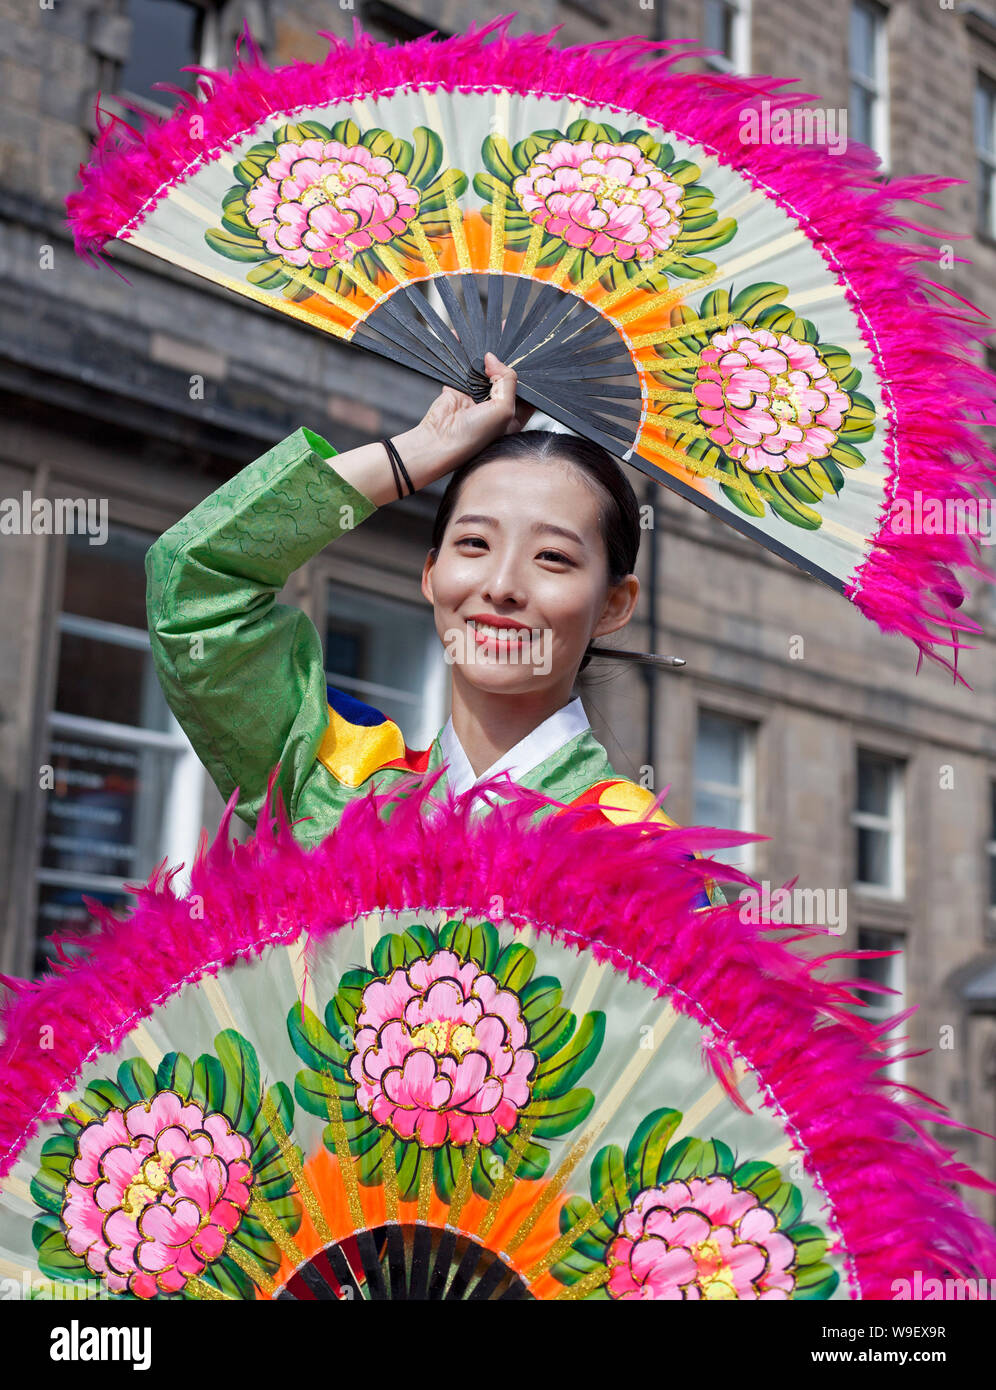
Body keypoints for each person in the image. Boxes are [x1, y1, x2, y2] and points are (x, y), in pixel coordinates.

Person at [145, 352, 722, 902]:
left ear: (614, 604)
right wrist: (416, 453)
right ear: (430, 572)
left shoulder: (646, 859)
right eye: (474, 543)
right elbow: (196, 587)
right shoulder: (340, 782)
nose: (501, 586)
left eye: (552, 557)